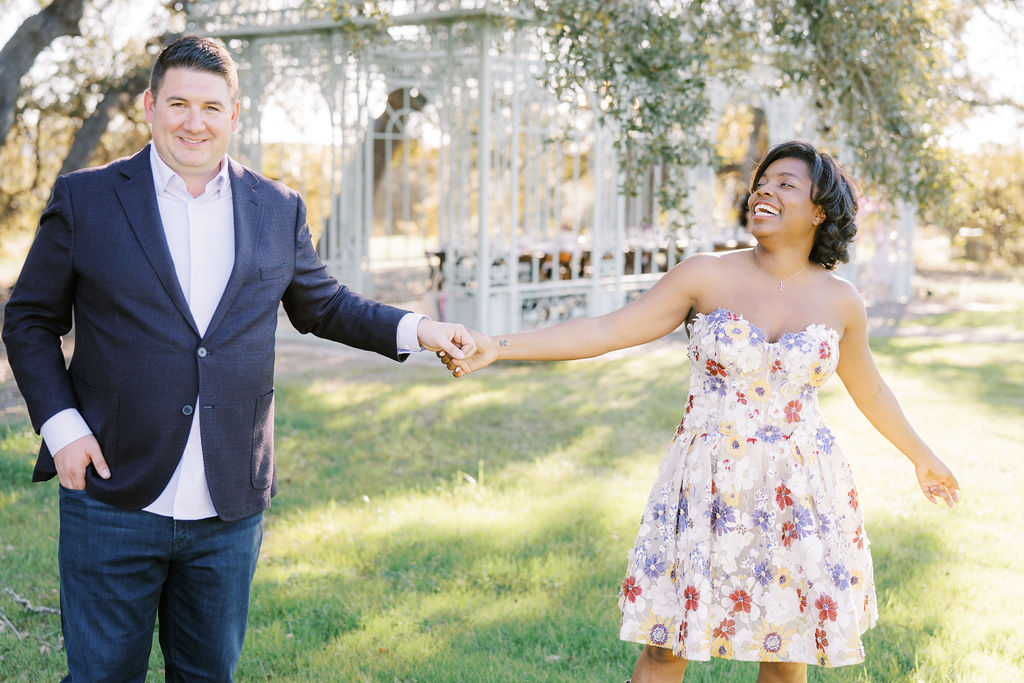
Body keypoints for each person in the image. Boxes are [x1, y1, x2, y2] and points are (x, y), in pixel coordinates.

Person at [1, 35, 475, 682]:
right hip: (111, 489)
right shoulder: (87, 199)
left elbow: (325, 306)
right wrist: (63, 429)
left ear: (235, 113)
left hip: (229, 502)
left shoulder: (277, 207)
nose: (193, 122)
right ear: (149, 106)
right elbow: (29, 320)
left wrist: (421, 328)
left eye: (211, 107)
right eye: (178, 104)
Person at [437, 140, 959, 683]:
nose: (763, 191)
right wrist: (498, 345)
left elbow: (871, 391)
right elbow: (606, 330)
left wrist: (922, 457)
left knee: (787, 652)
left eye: (785, 184)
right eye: (761, 182)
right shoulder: (705, 275)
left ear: (820, 211)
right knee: (667, 646)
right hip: (706, 481)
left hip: (799, 486)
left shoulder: (841, 300)